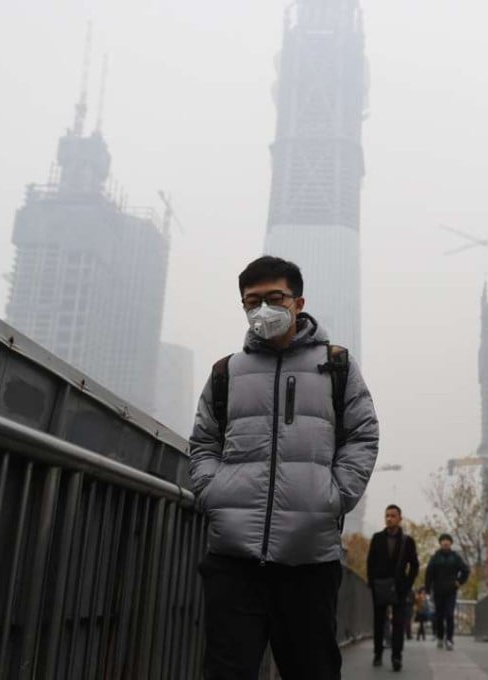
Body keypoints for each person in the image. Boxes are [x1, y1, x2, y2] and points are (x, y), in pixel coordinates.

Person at [189, 256, 379, 680]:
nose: (263, 311)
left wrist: (333, 497)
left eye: (274, 298)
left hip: (309, 559)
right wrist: (213, 492)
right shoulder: (227, 372)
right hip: (233, 559)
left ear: (298, 302)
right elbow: (203, 442)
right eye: (251, 302)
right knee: (226, 671)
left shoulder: (336, 366)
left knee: (311, 670)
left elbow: (363, 436)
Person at [367, 504, 420, 671]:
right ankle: (377, 653)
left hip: (399, 588)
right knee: (379, 622)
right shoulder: (377, 538)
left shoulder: (407, 541)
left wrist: (407, 584)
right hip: (380, 586)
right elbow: (370, 562)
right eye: (387, 515)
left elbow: (415, 565)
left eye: (393, 515)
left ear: (399, 518)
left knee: (398, 624)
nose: (389, 518)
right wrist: (372, 582)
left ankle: (397, 657)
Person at [424, 532, 470, 650]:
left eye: (447, 540)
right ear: (440, 543)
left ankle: (449, 639)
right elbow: (429, 573)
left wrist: (459, 581)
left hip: (451, 591)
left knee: (449, 615)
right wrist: (427, 589)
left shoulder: (455, 557)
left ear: (450, 543)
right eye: (443, 540)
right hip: (438, 591)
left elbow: (465, 570)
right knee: (439, 616)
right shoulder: (435, 557)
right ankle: (440, 637)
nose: (445, 542)